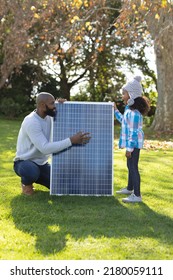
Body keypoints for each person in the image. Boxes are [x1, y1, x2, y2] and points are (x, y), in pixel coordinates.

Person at [13, 92, 91, 195]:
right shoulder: (31, 122)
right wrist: (71, 140)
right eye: (52, 103)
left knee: (60, 186)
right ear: (42, 105)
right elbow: (44, 148)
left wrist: (64, 106)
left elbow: (68, 118)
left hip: (42, 164)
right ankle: (26, 184)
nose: (54, 106)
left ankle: (38, 175)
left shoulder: (49, 116)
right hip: (24, 163)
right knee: (31, 172)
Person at [114, 76, 150, 203]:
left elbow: (133, 133)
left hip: (133, 144)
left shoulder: (134, 113)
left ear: (132, 95)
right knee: (130, 165)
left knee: (133, 166)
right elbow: (123, 121)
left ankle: (137, 195)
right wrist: (115, 110)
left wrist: (129, 149)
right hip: (132, 144)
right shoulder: (129, 110)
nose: (122, 96)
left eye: (124, 93)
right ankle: (129, 188)